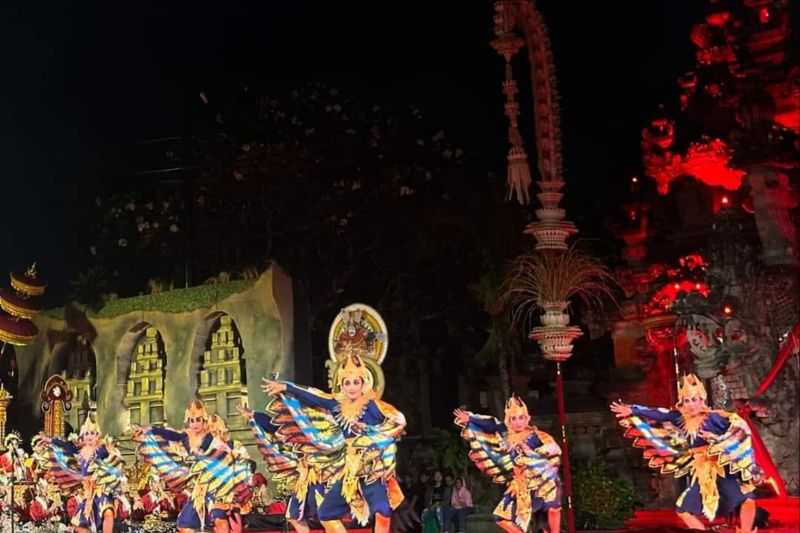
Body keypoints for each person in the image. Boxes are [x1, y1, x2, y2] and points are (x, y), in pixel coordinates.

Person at [262, 351, 406, 533]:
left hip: (372, 469)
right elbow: (313, 396)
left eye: (356, 382)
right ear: (341, 384)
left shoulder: (375, 405)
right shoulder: (337, 405)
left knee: (382, 512)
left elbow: (400, 421)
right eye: (347, 383)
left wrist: (370, 434)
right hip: (350, 471)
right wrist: (286, 387)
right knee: (326, 513)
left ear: (364, 383)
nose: (352, 387)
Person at [610, 373, 762, 533]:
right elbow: (658, 413)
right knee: (683, 509)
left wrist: (714, 438)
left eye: (694, 400)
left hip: (720, 465)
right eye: (687, 400)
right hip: (701, 470)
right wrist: (632, 409)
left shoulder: (715, 418)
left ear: (702, 400)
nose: (690, 404)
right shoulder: (679, 418)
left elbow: (736, 433)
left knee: (746, 497)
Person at [133, 399, 252, 533]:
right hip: (201, 487)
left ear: (204, 420)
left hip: (219, 483)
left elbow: (224, 455)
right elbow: (171, 435)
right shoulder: (186, 436)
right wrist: (150, 429)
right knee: (184, 524)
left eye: (198, 420)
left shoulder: (211, 436)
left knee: (220, 519)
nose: (194, 424)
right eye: (191, 420)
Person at [454, 396, 562, 533]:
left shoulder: (538, 435)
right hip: (520, 485)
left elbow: (554, 449)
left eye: (521, 417)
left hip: (543, 481)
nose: (518, 422)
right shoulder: (505, 434)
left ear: (527, 418)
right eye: (514, 418)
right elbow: (491, 424)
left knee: (552, 510)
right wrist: (470, 419)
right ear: (508, 420)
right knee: (501, 518)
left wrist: (532, 453)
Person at [39, 416, 127, 533]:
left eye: (93, 433)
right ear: (83, 437)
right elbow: (66, 446)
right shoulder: (79, 452)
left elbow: (112, 457)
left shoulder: (100, 451)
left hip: (101, 490)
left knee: (108, 513)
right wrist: (50, 440)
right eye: (87, 434)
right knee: (80, 525)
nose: (90, 436)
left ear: (97, 436)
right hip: (88, 494)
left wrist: (112, 452)